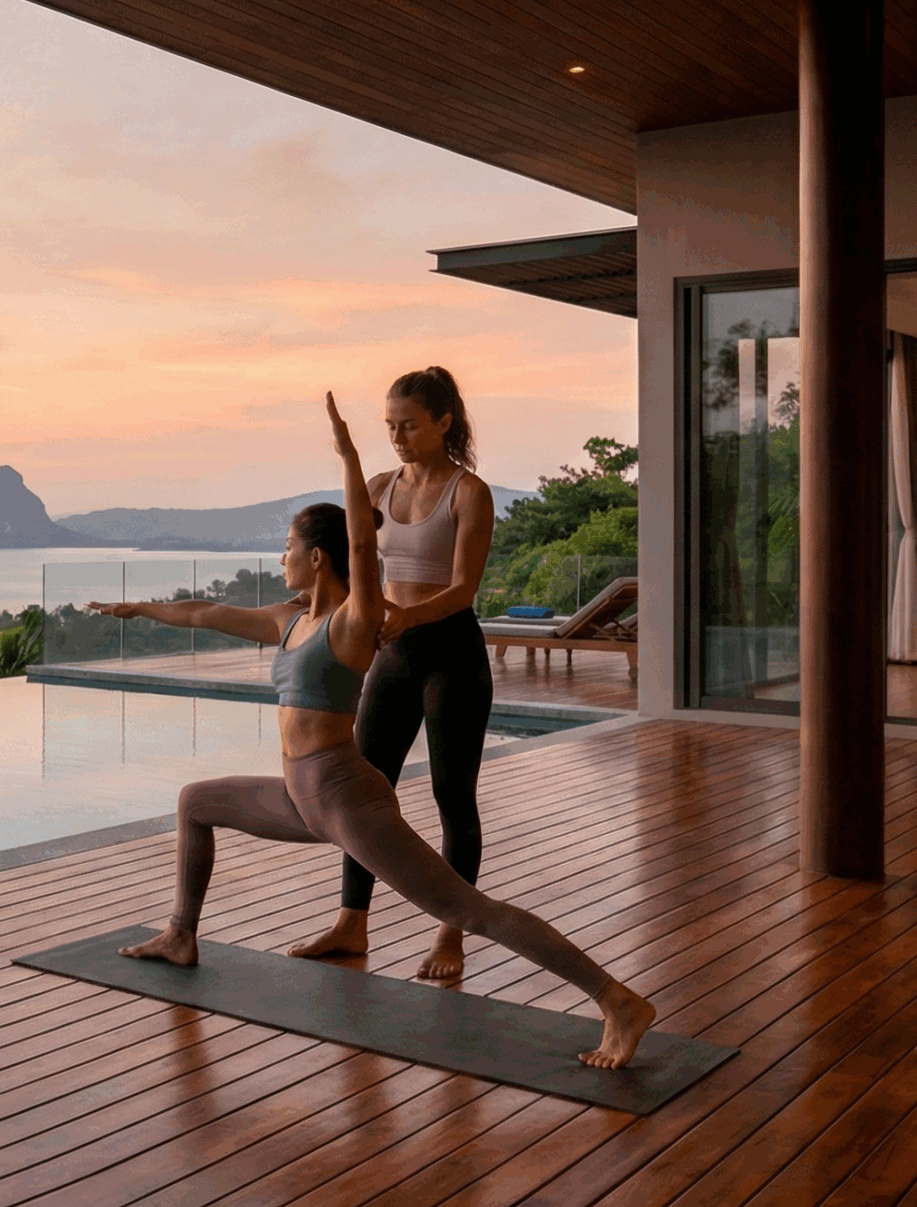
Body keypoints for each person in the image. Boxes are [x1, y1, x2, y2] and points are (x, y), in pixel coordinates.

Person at [86, 392, 654, 1069]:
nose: (282, 562)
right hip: (303, 800)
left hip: (346, 799)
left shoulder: (355, 623)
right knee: (195, 803)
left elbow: (362, 538)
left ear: (319, 559)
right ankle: (181, 934)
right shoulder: (284, 619)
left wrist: (350, 455)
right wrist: (138, 608)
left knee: (468, 909)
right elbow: (203, 612)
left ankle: (617, 1000)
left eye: (289, 551)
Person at [292, 365, 497, 982]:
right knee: (361, 791)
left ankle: (451, 930)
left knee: (450, 796)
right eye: (390, 426)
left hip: (451, 655)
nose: (399, 436)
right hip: (392, 654)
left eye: (409, 425)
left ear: (443, 422)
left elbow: (463, 589)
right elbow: (353, 558)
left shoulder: (469, 493)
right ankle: (352, 923)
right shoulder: (380, 487)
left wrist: (406, 616)